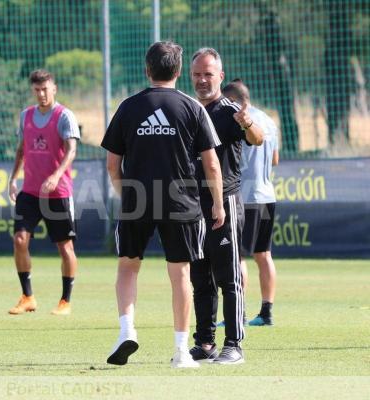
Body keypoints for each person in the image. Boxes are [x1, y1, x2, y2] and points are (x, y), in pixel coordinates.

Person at [101, 41, 225, 368]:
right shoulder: (192, 107)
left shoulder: (128, 107)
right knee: (180, 273)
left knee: (128, 266)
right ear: (180, 70)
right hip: (182, 200)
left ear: (147, 69)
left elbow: (112, 164)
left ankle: (127, 330)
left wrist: (123, 194)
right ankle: (182, 350)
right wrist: (217, 203)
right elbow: (212, 165)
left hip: (137, 198)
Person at [189, 48, 264, 365]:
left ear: (220, 76)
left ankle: (234, 344)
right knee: (199, 278)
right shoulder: (188, 110)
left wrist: (248, 124)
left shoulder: (229, 110)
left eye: (208, 74)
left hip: (226, 202)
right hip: (192, 205)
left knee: (228, 277)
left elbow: (257, 139)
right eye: (197, 74)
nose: (202, 80)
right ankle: (205, 343)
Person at [7, 69, 80, 316]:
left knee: (65, 247)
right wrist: (12, 179)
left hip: (57, 192)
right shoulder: (25, 116)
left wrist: (56, 175)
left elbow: (71, 151)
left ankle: (65, 301)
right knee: (19, 240)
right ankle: (27, 296)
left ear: (54, 88)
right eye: (37, 90)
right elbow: (21, 149)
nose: (41, 94)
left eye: (45, 89)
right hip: (30, 192)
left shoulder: (64, 116)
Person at [222, 79, 279, 327]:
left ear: (233, 101)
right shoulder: (268, 120)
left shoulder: (237, 120)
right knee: (264, 255)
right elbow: (275, 159)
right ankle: (266, 313)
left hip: (245, 197)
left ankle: (239, 314)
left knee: (239, 257)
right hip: (267, 194)